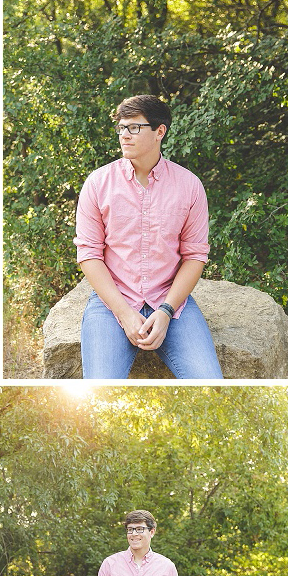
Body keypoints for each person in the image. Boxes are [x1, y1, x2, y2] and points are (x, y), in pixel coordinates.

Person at [75, 94, 223, 379]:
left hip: (171, 302)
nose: (124, 135)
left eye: (134, 127)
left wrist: (166, 311)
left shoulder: (190, 186)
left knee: (208, 379)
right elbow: (89, 254)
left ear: (160, 131)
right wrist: (125, 314)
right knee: (100, 388)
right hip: (112, 303)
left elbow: (194, 256)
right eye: (121, 127)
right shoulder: (97, 184)